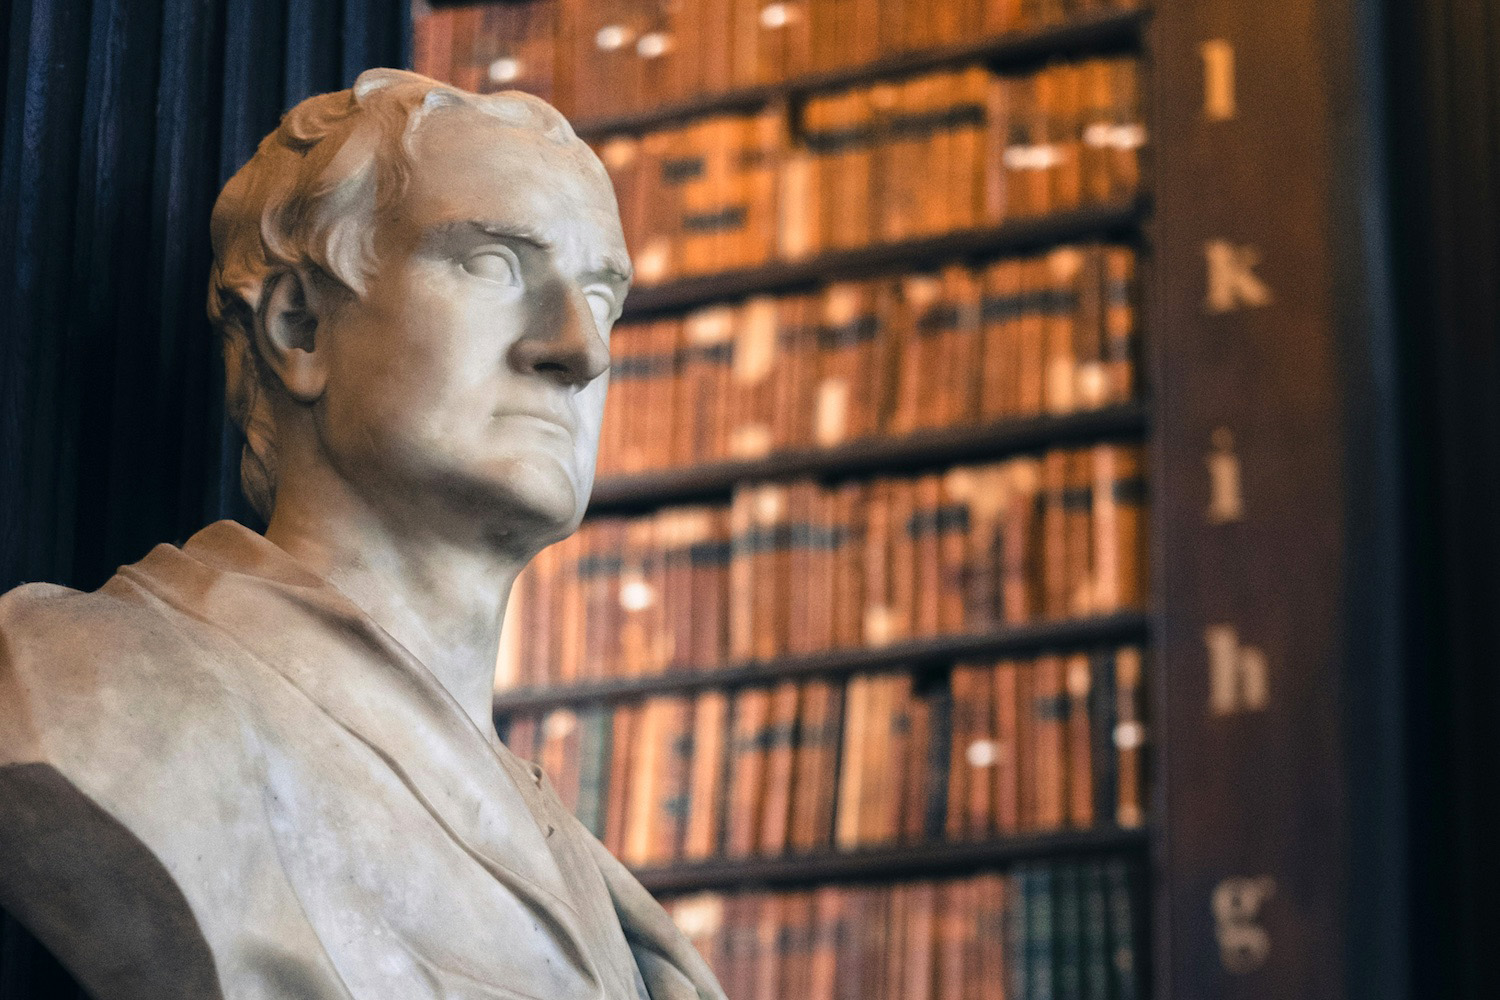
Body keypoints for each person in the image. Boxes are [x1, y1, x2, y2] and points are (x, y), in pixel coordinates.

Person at [0, 69, 725, 1000]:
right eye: (494, 264)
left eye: (602, 296)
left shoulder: (595, 891)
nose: (580, 351)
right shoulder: (76, 692)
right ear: (301, 326)